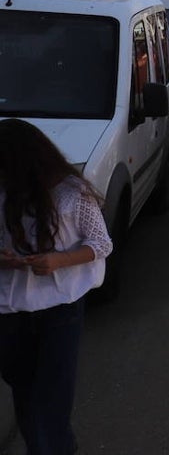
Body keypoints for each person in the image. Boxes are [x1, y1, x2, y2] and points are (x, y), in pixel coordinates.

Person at [0, 118, 112, 455]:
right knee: (25, 391)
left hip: (59, 310)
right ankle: (56, 444)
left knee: (49, 397)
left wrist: (57, 261)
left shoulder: (70, 193)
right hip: (10, 309)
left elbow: (101, 243)